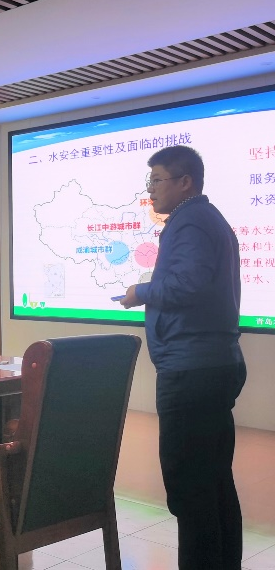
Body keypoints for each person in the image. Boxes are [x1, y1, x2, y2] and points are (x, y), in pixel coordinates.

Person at [120, 145, 246, 569]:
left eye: (157, 180)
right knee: (213, 481)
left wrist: (141, 292)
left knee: (190, 487)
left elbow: (187, 284)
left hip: (191, 370)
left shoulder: (190, 221)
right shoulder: (207, 218)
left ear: (185, 181)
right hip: (212, 364)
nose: (150, 190)